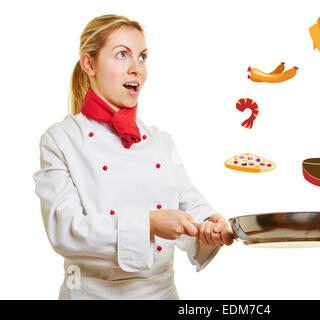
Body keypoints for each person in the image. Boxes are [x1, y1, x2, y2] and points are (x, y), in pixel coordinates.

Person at [32, 14, 233, 300]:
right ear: (89, 64)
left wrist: (209, 226)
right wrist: (148, 223)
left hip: (163, 294)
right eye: (122, 55)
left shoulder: (161, 141)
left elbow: (187, 199)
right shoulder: (61, 140)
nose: (136, 69)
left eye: (142, 57)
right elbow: (66, 230)